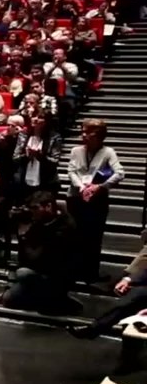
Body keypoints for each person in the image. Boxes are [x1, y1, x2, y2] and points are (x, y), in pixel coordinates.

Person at [68, 119, 125, 282]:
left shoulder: (108, 152)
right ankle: (73, 270)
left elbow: (120, 173)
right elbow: (71, 171)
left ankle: (90, 273)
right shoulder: (76, 150)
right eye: (82, 131)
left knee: (93, 237)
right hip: (75, 197)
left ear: (97, 135)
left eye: (86, 132)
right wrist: (81, 187)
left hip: (96, 201)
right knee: (74, 235)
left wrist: (100, 187)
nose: (82, 135)